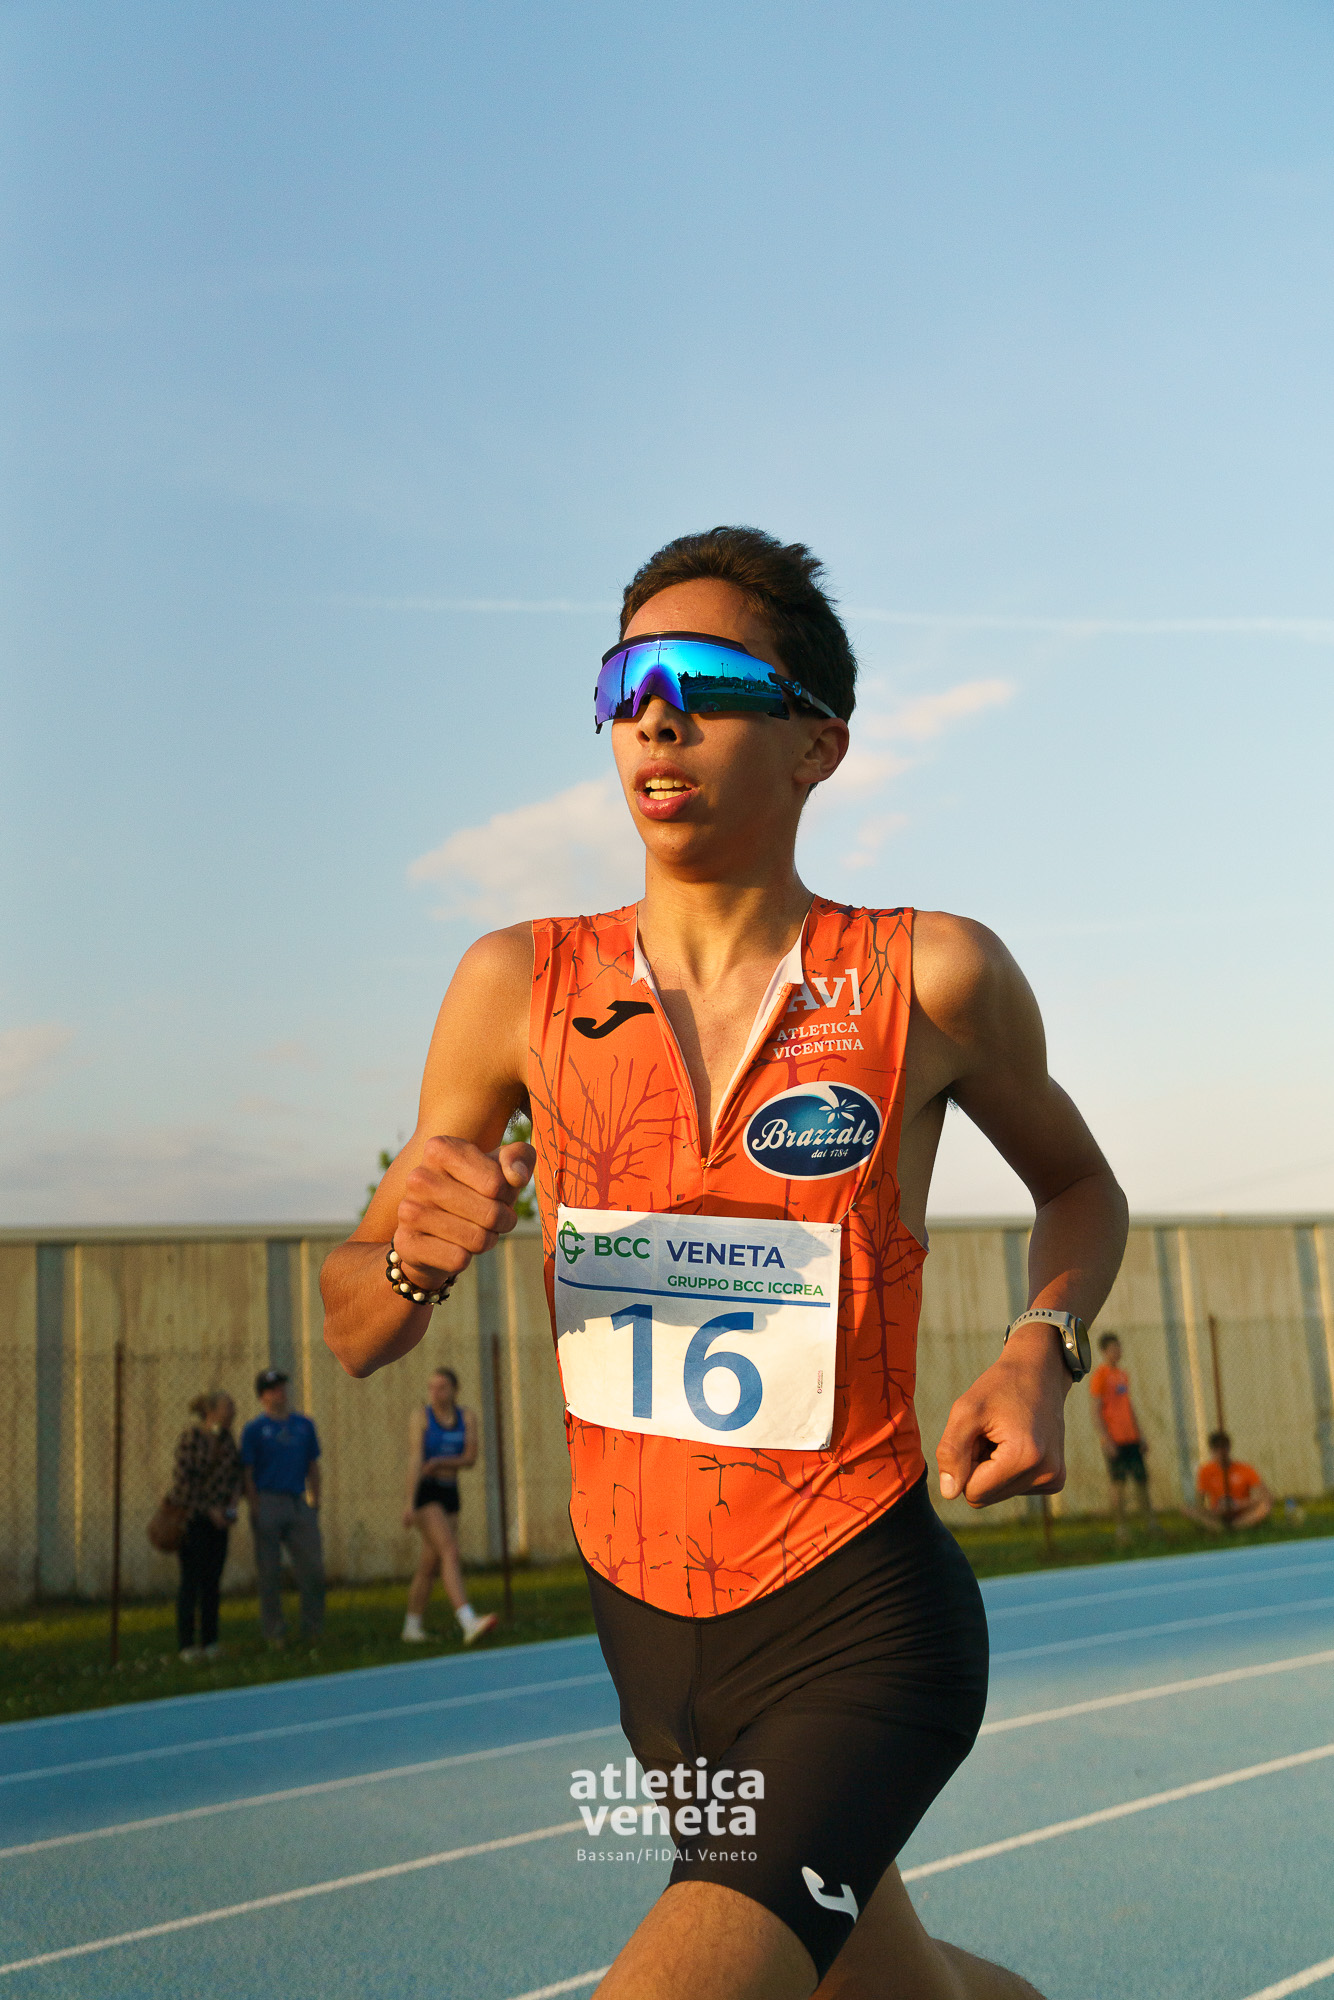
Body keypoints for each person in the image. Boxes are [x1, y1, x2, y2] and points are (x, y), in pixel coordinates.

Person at [321, 526, 1129, 2000]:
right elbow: (356, 1324)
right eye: (622, 682)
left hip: (858, 1609)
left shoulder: (926, 974)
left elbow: (1077, 1187)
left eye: (702, 680)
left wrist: (1041, 1346)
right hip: (646, 1641)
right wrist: (412, 1262)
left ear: (817, 741)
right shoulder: (515, 984)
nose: (653, 716)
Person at [401, 1366, 498, 1645]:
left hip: (450, 1491)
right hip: (426, 1492)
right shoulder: (421, 1417)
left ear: (455, 1390)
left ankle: (411, 1627)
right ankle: (468, 1621)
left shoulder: (466, 1417)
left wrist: (441, 1462)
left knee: (429, 1564)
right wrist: (409, 1503)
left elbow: (470, 1458)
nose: (435, 1392)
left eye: (442, 1387)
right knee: (450, 1551)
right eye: (432, 1387)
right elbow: (415, 1459)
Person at [240, 1367, 326, 1646]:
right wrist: (255, 1505)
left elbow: (313, 1465)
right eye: (273, 1389)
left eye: (282, 1387)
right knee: (269, 1571)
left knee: (312, 1568)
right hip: (268, 1500)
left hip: (297, 1501)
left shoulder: (304, 1425)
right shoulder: (254, 1430)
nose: (280, 1393)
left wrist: (315, 1500)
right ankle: (274, 1632)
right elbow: (248, 1472)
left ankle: (313, 1628)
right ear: (262, 1396)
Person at [170, 1390, 243, 1662]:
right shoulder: (191, 1438)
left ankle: (211, 1641)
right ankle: (187, 1644)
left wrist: (230, 1507)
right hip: (195, 1521)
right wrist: (209, 1509)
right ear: (211, 1411)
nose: (232, 1411)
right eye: (227, 1406)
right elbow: (183, 1482)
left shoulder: (227, 1439)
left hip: (220, 1521)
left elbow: (234, 1475)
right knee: (191, 1581)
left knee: (212, 1582)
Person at [1087, 1332, 1157, 1545]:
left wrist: (1140, 1435)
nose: (1117, 1352)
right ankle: (1121, 1529)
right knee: (1118, 1483)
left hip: (1131, 1438)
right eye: (1113, 1348)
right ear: (1104, 1351)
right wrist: (1106, 1440)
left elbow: (1128, 1405)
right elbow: (1095, 1410)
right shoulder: (1100, 1376)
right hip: (1115, 1440)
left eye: (1119, 1347)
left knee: (1142, 1480)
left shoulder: (1122, 1375)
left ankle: (1150, 1524)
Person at [1186, 1430, 1273, 1532]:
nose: (1221, 1452)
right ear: (1212, 1450)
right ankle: (1219, 1528)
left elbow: (1266, 1495)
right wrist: (1213, 1510)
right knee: (1187, 1510)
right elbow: (1199, 1499)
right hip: (1218, 1512)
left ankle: (1236, 1527)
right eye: (1217, 1448)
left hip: (1242, 1512)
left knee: (1264, 1506)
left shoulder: (1245, 1468)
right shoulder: (1205, 1471)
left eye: (1223, 1447)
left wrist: (1240, 1504)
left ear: (1229, 1448)